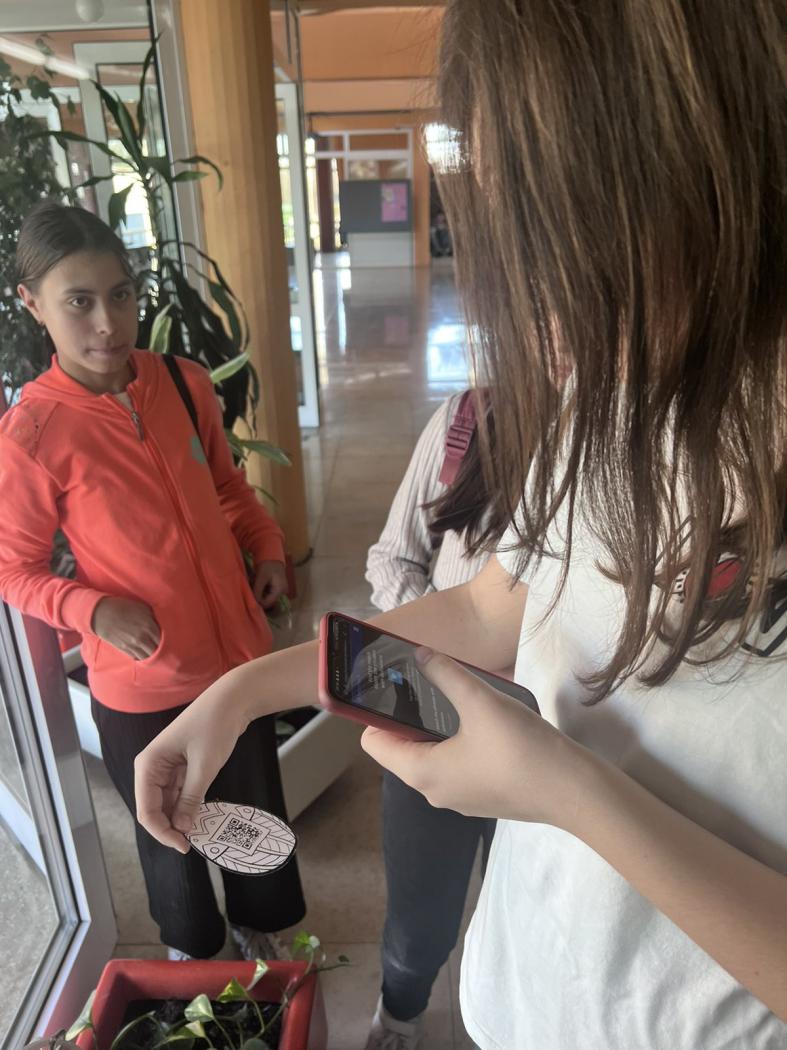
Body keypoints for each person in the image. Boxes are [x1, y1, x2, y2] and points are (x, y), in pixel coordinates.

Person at [134, 2, 787, 1047]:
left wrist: (566, 791)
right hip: (527, 996)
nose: (542, 305)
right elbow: (497, 602)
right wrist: (246, 690)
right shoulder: (611, 395)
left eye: (567, 226)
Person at [0, 201, 306, 961]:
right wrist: (91, 608)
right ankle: (194, 955)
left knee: (250, 818)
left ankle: (263, 935)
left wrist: (266, 547)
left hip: (237, 665)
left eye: (121, 295)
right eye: (79, 302)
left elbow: (229, 489)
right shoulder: (32, 433)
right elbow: (13, 570)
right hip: (144, 686)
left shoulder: (183, 381)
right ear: (32, 304)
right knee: (172, 838)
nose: (107, 323)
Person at [363, 390, 499, 1049]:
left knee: (526, 916)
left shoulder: (644, 441)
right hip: (437, 717)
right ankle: (398, 1016)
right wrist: (447, 653)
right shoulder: (468, 419)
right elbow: (394, 556)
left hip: (561, 739)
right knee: (418, 927)